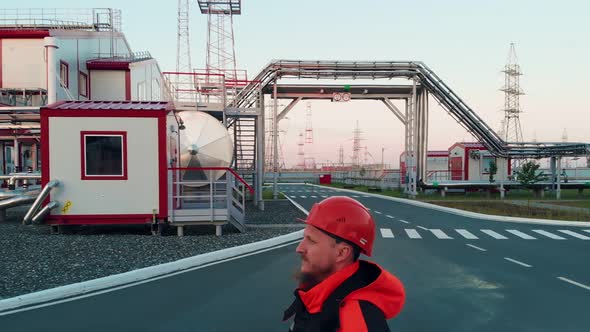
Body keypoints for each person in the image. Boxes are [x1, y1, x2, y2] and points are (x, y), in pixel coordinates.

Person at [283, 196, 405, 332]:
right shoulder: (316, 294)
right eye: (304, 237)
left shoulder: (355, 320)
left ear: (341, 253)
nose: (299, 248)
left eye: (311, 240)